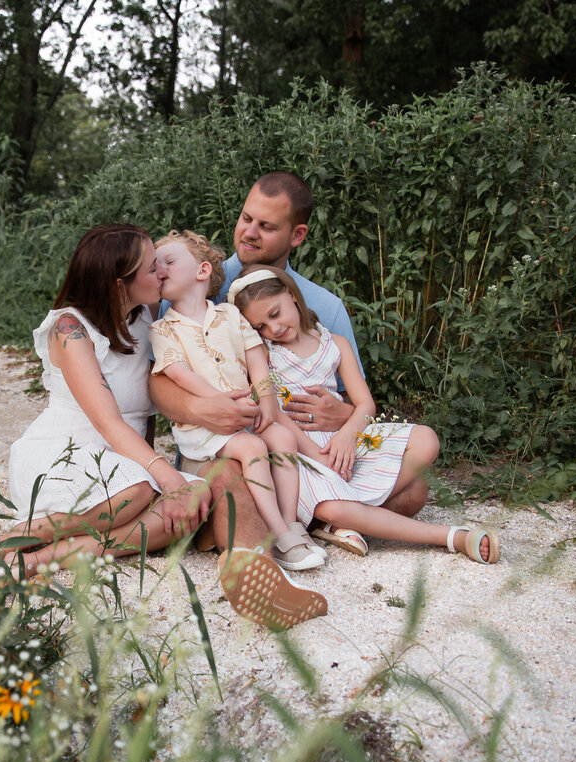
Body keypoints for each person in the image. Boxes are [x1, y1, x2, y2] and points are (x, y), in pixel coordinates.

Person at [150, 171, 431, 560]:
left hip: (306, 449)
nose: (249, 232)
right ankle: (258, 561)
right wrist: (200, 407)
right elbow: (156, 382)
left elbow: (354, 401)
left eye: (267, 226)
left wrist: (343, 415)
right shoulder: (191, 284)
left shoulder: (323, 306)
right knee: (237, 477)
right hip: (230, 443)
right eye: (246, 218)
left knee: (415, 492)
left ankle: (300, 515)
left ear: (296, 236)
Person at [232, 266, 500, 563]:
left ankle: (347, 521)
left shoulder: (335, 344)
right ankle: (451, 536)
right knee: (333, 507)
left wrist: (347, 436)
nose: (273, 329)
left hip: (343, 438)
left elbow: (365, 405)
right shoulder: (265, 354)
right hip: (300, 451)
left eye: (275, 313)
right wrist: (317, 455)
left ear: (292, 296)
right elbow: (276, 414)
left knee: (427, 440)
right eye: (260, 327)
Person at [0, 224, 212, 576]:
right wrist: (167, 479)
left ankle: (43, 558)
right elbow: (107, 421)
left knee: (192, 505)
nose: (161, 272)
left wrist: (171, 489)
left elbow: (142, 416)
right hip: (64, 454)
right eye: (151, 268)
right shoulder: (70, 328)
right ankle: (30, 532)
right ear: (119, 284)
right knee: (139, 491)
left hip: (124, 460)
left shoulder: (145, 316)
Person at [149, 230, 323, 571]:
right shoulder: (163, 329)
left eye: (168, 262)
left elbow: (257, 357)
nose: (160, 270)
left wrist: (266, 397)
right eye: (155, 267)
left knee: (283, 437)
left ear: (201, 272)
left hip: (247, 414)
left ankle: (290, 526)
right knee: (253, 448)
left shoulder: (230, 314)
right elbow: (179, 373)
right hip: (204, 425)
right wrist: (221, 403)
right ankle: (277, 532)